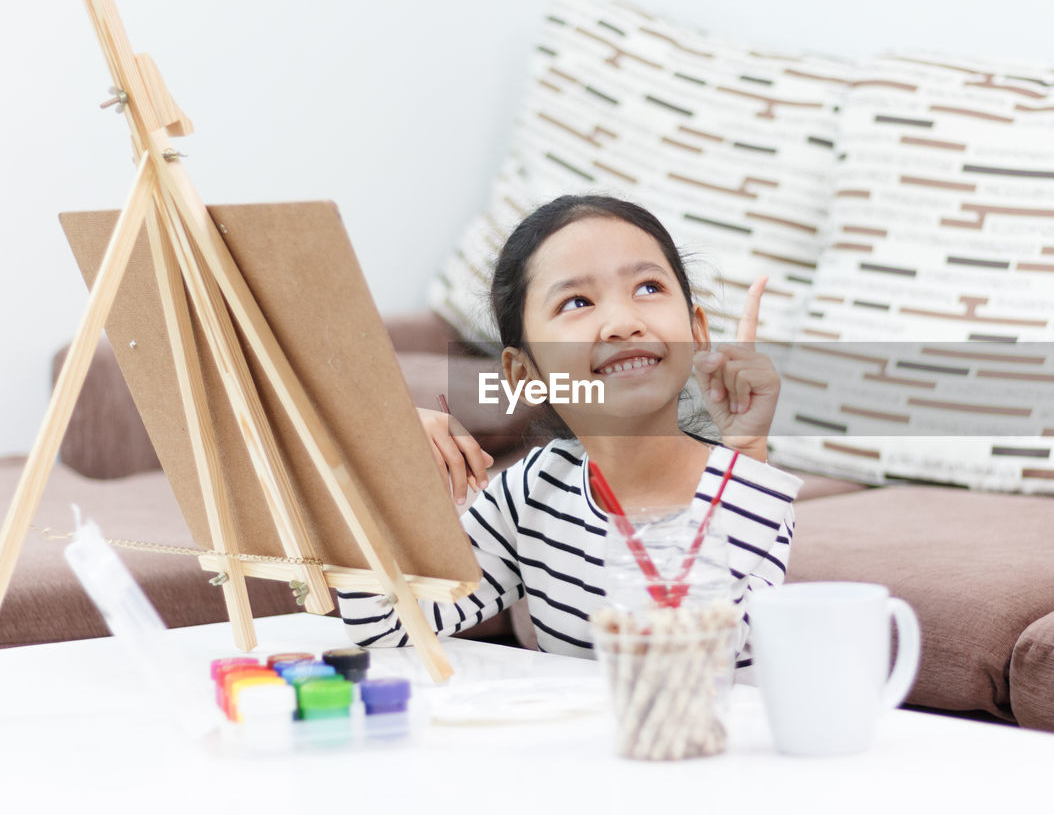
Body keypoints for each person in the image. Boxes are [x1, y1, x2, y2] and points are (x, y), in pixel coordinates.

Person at [336, 195, 801, 673]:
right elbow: (387, 625)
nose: (623, 323)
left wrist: (745, 453)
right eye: (576, 302)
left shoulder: (754, 496)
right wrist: (384, 465)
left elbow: (682, 657)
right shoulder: (533, 491)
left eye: (647, 288)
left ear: (696, 331)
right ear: (523, 374)